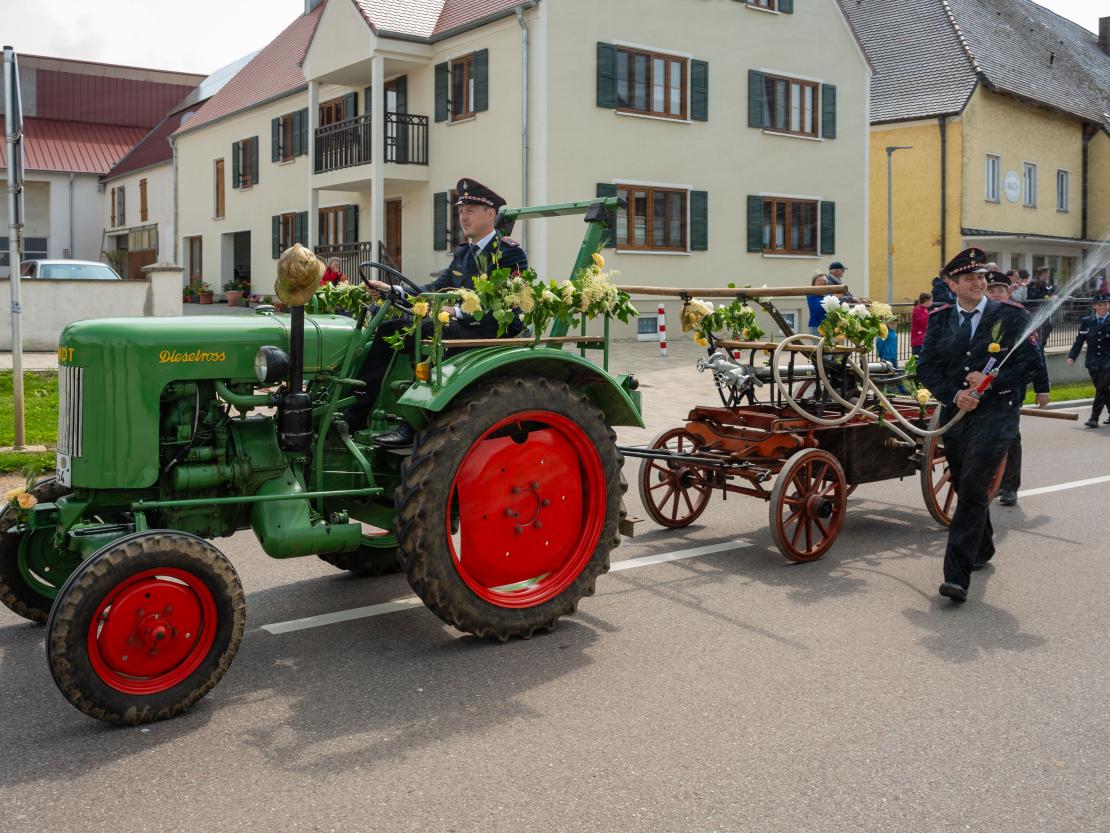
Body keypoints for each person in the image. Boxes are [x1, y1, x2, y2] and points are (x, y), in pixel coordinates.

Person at [353, 178, 528, 446]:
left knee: (422, 332)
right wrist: (395, 290)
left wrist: (454, 311)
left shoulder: (508, 254)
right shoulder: (463, 253)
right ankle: (357, 409)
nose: (462, 217)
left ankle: (412, 422)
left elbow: (504, 307)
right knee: (390, 329)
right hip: (459, 324)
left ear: (490, 214)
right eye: (460, 211)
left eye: (470, 211)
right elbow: (436, 286)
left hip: (490, 330)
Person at [916, 248, 1040, 602]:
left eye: (982, 277)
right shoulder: (939, 318)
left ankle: (956, 577)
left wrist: (990, 385)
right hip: (956, 414)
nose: (979, 282)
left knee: (971, 487)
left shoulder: (1012, 315)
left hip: (997, 413)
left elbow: (1029, 365)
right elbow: (927, 368)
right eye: (969, 278)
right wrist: (955, 394)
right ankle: (982, 548)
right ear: (951, 284)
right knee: (962, 480)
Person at [982, 271, 1050, 506]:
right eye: (991, 291)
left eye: (1000, 290)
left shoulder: (1019, 317)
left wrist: (1042, 389)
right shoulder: (978, 317)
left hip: (1011, 387)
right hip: (980, 389)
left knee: (1009, 437)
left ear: (1008, 292)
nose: (996, 294)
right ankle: (991, 480)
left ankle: (1010, 486)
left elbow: (1036, 355)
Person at [1066, 293, 1110, 428]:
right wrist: (1072, 356)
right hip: (1092, 361)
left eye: (1105, 304)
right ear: (1094, 306)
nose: (1102, 307)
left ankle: (1094, 418)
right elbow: (1079, 341)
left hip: (1108, 360)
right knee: (1101, 389)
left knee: (1101, 387)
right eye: (1099, 305)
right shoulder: (1087, 321)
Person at [910, 292, 932, 357]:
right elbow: (925, 324)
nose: (932, 302)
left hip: (921, 341)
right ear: (927, 301)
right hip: (919, 342)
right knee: (918, 363)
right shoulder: (919, 310)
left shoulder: (922, 309)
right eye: (931, 300)